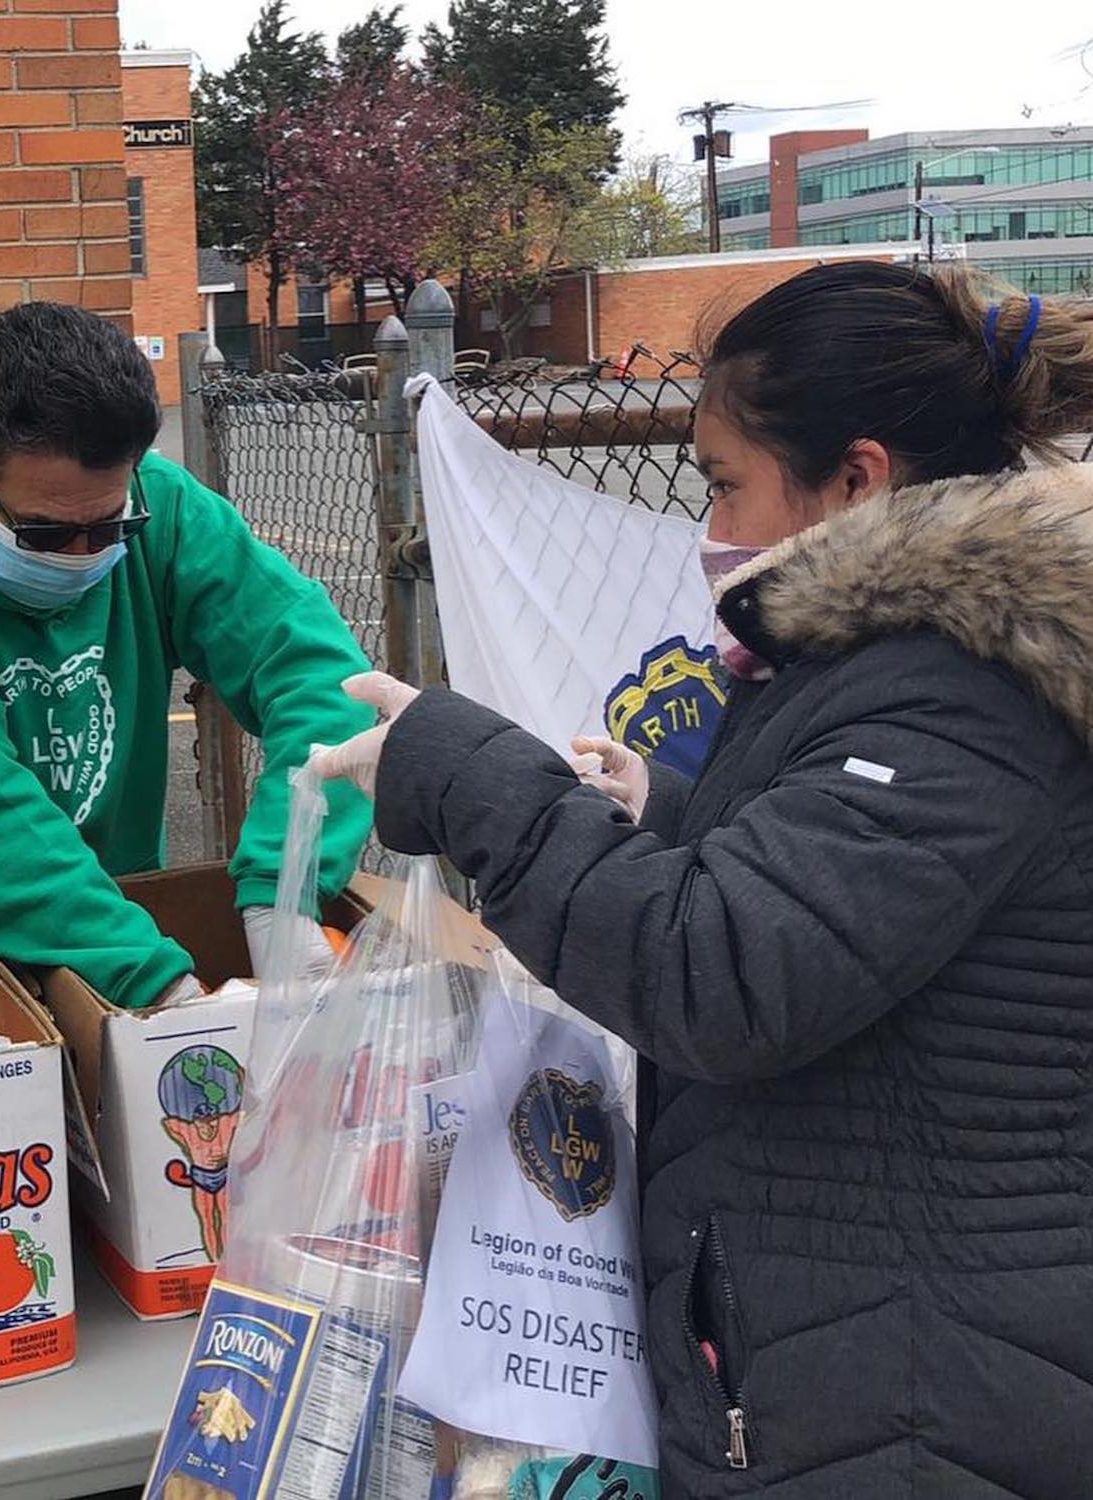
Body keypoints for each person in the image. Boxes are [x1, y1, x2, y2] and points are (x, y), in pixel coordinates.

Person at [313, 262, 1093, 1498]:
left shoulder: (960, 688)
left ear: (857, 479)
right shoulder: (895, 667)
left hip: (911, 1409)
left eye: (728, 483)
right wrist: (670, 815)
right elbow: (862, 910)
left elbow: (726, 972)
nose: (711, 523)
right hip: (848, 1358)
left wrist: (472, 777)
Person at [0, 303, 371, 1006]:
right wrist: (157, 984)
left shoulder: (163, 506)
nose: (84, 555)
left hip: (108, 920)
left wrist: (288, 888)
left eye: (108, 527)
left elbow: (317, 672)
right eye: (43, 533)